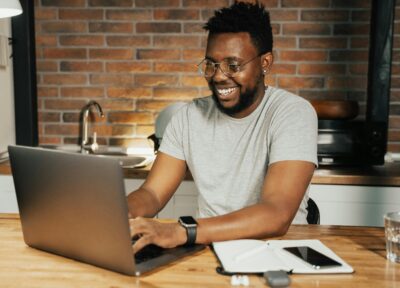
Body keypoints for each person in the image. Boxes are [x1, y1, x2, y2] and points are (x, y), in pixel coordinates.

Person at [127, 1, 318, 253]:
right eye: (211, 64)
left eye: (233, 65)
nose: (218, 76)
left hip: (278, 251)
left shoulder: (292, 113)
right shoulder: (188, 117)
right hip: (206, 249)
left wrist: (183, 231)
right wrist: (115, 212)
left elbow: (276, 214)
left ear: (265, 63)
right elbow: (151, 193)